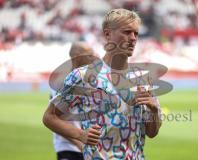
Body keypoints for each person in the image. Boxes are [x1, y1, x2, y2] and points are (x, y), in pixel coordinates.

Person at [43, 8, 162, 159]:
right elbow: (50, 117)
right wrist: (80, 134)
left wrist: (153, 111)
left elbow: (152, 133)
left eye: (136, 33)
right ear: (107, 34)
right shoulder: (83, 76)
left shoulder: (142, 79)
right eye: (126, 32)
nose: (133, 38)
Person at [49, 42, 98, 160]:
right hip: (70, 149)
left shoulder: (87, 78)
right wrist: (80, 143)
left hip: (88, 147)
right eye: (90, 55)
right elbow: (54, 118)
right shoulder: (62, 82)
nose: (94, 57)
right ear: (77, 57)